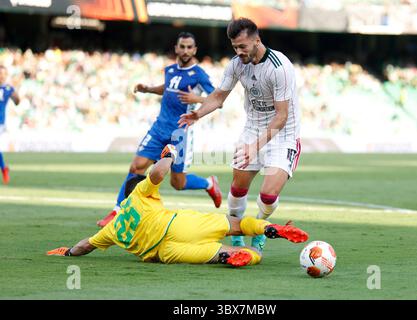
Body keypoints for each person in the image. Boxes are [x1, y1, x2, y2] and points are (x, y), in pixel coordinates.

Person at [47, 144, 309, 267]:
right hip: (179, 224)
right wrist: (169, 155)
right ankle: (268, 228)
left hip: (166, 253)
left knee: (223, 253)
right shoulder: (140, 193)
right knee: (237, 225)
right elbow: (158, 174)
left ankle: (236, 256)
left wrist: (68, 252)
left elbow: (85, 245)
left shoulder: (112, 229)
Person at [178, 18, 301, 251]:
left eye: (242, 46)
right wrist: (198, 114)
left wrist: (255, 146)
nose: (238, 51)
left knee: (267, 194)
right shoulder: (236, 64)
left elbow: (282, 115)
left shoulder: (279, 67)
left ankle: (260, 228)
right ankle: (236, 236)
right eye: (235, 47)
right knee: (237, 188)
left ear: (257, 40)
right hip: (252, 129)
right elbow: (217, 97)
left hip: (283, 134)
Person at [97, 32, 222, 227]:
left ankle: (209, 184)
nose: (186, 50)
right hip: (158, 128)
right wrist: (147, 89)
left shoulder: (199, 74)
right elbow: (168, 88)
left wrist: (195, 100)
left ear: (195, 50)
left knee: (177, 183)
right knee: (136, 167)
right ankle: (117, 211)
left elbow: (217, 100)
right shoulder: (170, 69)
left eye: (190, 47)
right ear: (176, 48)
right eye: (183, 46)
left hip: (179, 134)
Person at [0, 65, 20, 185]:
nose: (1, 75)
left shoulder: (8, 88)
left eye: (3, 73)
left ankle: (3, 168)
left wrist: (14, 94)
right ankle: (4, 168)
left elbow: (17, 101)